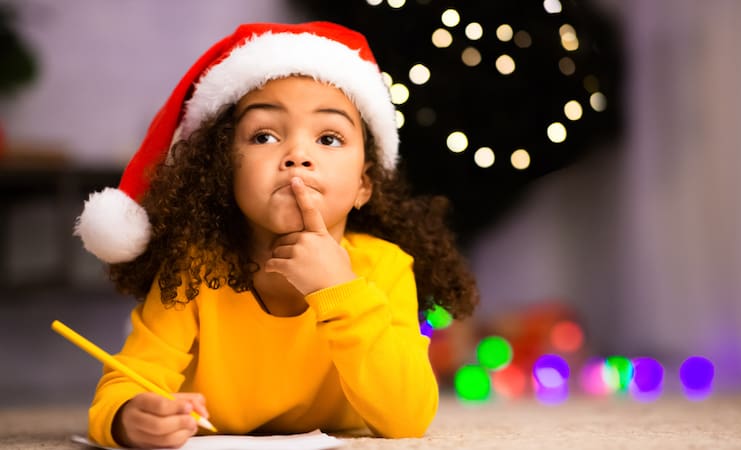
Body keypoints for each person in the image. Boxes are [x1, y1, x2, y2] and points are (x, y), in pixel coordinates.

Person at [75, 21, 478, 448]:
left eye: (329, 137)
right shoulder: (193, 269)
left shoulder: (386, 266)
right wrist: (127, 418)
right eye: (264, 135)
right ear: (224, 171)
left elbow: (408, 418)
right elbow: (128, 381)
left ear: (365, 184)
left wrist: (339, 290)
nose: (298, 156)